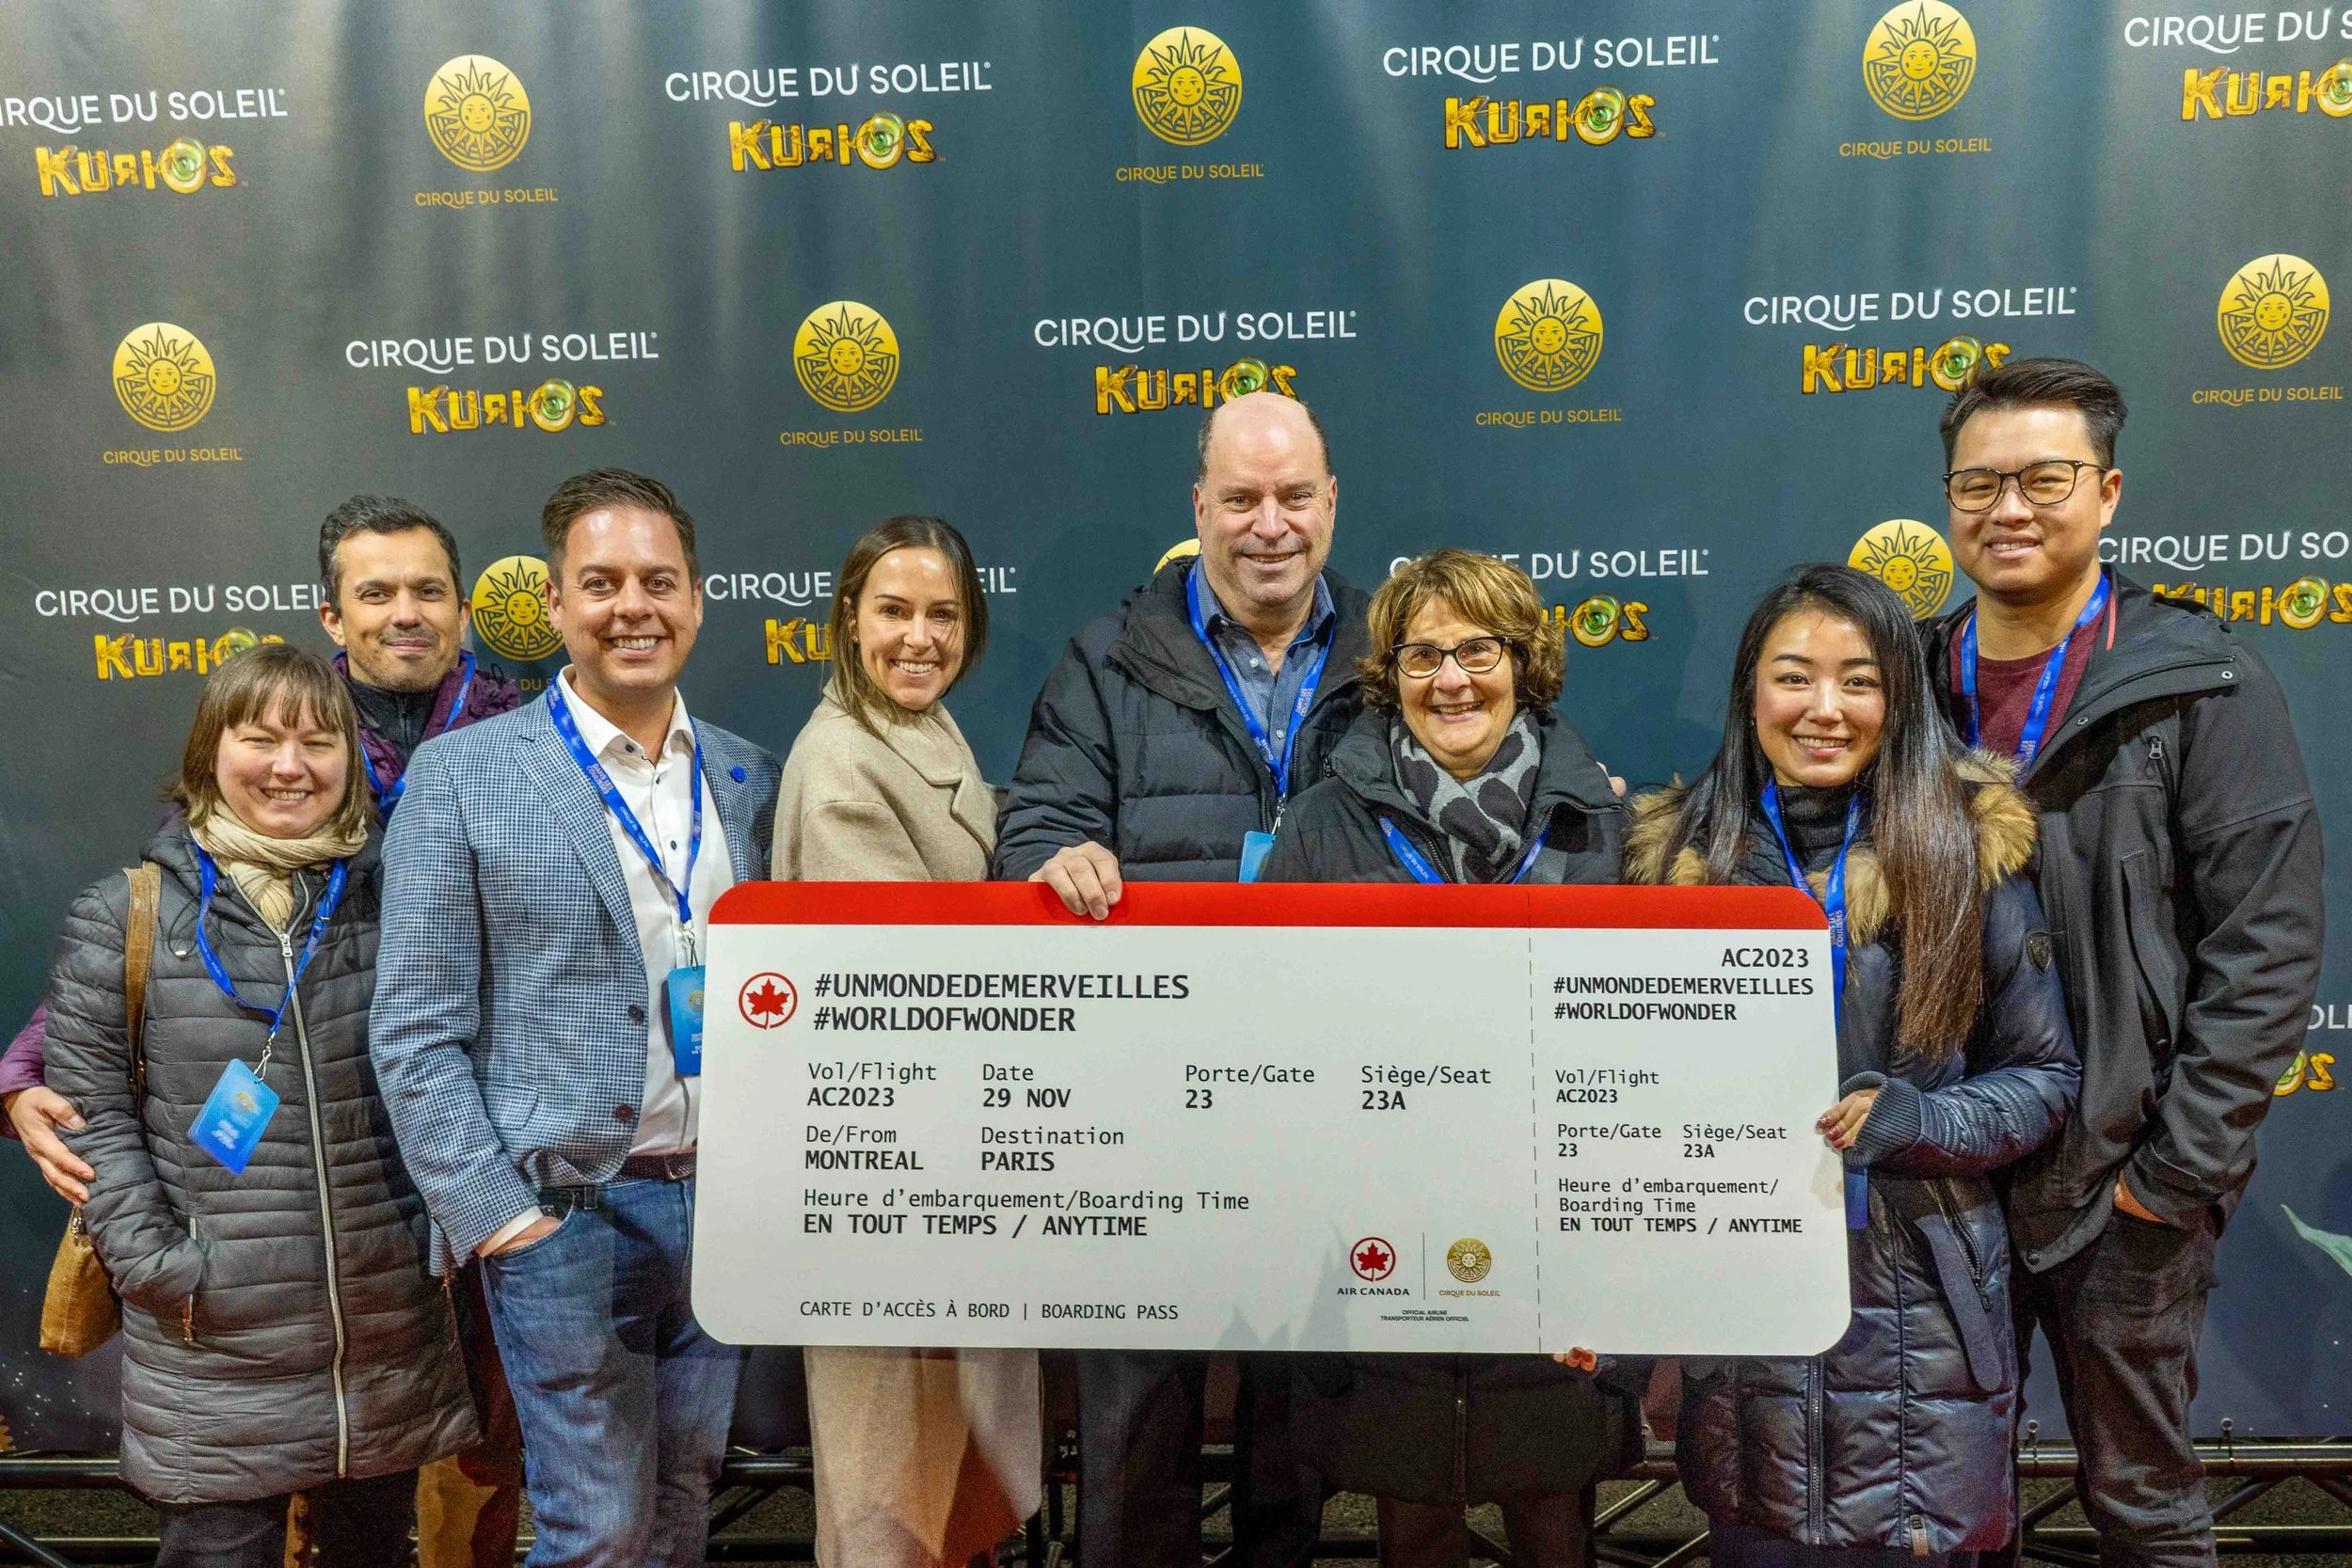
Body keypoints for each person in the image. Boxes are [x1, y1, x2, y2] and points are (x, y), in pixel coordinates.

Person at [6, 495, 526, 1565]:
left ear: (466, 610)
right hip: (262, 1276)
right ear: (333, 617)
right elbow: (141, 975)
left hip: (468, 1231)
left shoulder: (527, 748)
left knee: (467, 1495)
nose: (404, 613)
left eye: (427, 590)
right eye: (375, 592)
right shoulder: (295, 736)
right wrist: (26, 1072)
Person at [1923, 359, 2324, 1568]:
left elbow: (2264, 948)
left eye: (2043, 479)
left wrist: (2173, 1173)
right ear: (1947, 503)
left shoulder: (2204, 683)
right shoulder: (1901, 686)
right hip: (1941, 1175)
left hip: (2119, 1181)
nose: (2008, 508)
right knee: (1946, 1503)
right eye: (1978, 483)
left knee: (2141, 1506)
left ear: (2106, 493)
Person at [370, 467, 782, 1568]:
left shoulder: (749, 776)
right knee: (593, 1530)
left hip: (724, 1211)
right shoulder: (461, 777)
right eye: (600, 582)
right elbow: (412, 1030)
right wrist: (501, 1217)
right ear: (553, 604)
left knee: (684, 1504)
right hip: (566, 1215)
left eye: (658, 580)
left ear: (697, 598)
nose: (631, 605)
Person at [1626, 564, 2078, 1565]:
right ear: (1751, 691)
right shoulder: (1683, 861)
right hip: (1746, 1320)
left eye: (1858, 680)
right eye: (1794, 676)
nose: (1824, 708)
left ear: (1898, 696)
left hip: (1920, 1314)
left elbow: (2044, 1078)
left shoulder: (1964, 851)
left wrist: (1918, 1120)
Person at [991, 389, 1370, 1567]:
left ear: (1331, 503)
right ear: (1198, 505)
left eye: (1295, 497)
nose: (1271, 524)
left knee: (1296, 1414)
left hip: (1322, 1083)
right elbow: (1033, 823)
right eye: (1243, 498)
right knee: (1134, 1417)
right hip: (1139, 1098)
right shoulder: (1106, 657)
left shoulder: (1393, 644)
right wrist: (1057, 854)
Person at [1263, 548, 1635, 1568]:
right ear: (1389, 672)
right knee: (1411, 1504)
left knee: (1553, 1509)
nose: (1452, 678)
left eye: (1478, 648)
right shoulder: (1323, 821)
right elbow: (1275, 1022)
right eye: (1422, 654)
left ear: (1524, 661)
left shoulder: (1607, 824)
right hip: (1383, 1207)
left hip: (1557, 1209)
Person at [773, 515, 1042, 1568]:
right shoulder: (841, 761)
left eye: (943, 613)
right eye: (893, 610)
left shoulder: (920, 731)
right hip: (894, 1181)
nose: (919, 636)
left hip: (942, 1180)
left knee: (939, 1488)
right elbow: (898, 997)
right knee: (892, 1498)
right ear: (850, 618)